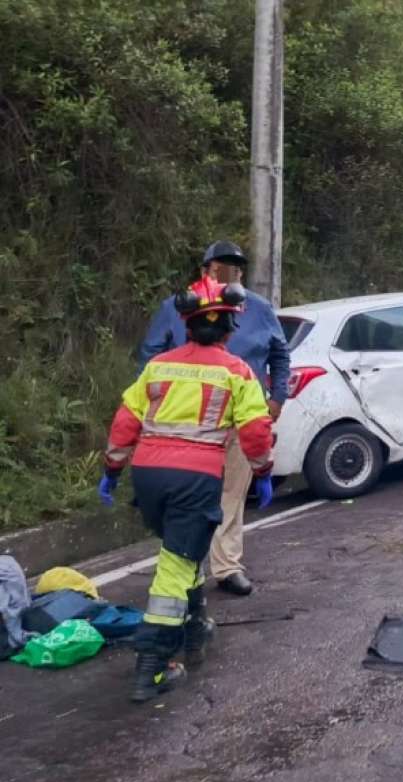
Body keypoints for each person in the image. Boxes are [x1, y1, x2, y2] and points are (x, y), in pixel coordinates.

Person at [100, 277, 275, 702]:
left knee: (184, 548)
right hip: (195, 478)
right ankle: (152, 667)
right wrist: (263, 471)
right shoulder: (237, 372)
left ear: (185, 325)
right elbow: (255, 430)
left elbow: (126, 423)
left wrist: (112, 469)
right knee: (176, 566)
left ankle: (195, 627)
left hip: (149, 476)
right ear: (231, 329)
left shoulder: (158, 367)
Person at [139, 241, 290, 596]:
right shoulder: (178, 308)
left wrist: (277, 397)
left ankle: (227, 566)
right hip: (189, 423)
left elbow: (280, 354)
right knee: (187, 494)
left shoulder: (258, 309)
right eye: (221, 266)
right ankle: (185, 564)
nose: (228, 272)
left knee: (232, 495)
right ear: (205, 269)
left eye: (236, 268)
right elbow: (150, 357)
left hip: (241, 419)